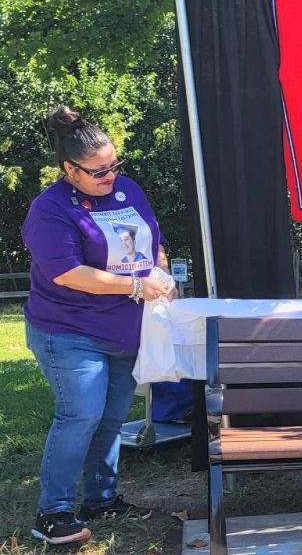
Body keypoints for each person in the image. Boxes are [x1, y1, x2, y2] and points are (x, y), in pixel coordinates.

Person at [21, 106, 173, 545]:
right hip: (68, 330)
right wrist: (136, 286)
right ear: (69, 169)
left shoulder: (128, 189)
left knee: (111, 419)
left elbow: (154, 240)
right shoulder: (49, 209)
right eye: (98, 171)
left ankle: (101, 499)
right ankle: (53, 513)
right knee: (81, 415)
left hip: (125, 330)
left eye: (114, 166)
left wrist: (163, 275)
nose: (111, 176)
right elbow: (68, 273)